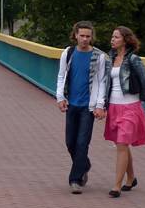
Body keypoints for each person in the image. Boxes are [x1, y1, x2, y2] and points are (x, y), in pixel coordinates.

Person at [56, 21, 108, 194]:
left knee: (82, 143)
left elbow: (101, 82)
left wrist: (100, 105)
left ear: (92, 37)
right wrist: (60, 97)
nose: (85, 39)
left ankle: (75, 179)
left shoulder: (99, 56)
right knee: (70, 142)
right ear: (76, 35)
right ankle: (84, 164)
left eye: (88, 36)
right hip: (72, 104)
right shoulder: (68, 53)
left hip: (89, 107)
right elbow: (62, 75)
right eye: (82, 35)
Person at [102, 26, 145, 198]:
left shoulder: (134, 59)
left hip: (130, 107)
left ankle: (116, 186)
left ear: (125, 39)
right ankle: (131, 178)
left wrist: (139, 101)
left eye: (116, 37)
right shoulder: (111, 58)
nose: (112, 40)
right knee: (122, 144)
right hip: (114, 107)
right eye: (112, 37)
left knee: (122, 144)